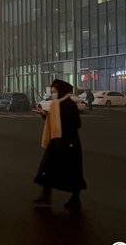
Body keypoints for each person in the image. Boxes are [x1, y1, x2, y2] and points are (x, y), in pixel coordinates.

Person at [34, 79, 87, 211]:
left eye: (54, 91)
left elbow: (77, 124)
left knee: (71, 172)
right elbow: (54, 121)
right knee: (47, 168)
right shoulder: (56, 104)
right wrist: (45, 115)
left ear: (61, 91)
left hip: (68, 144)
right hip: (56, 142)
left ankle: (74, 199)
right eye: (52, 92)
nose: (52, 94)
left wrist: (63, 125)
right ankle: (46, 196)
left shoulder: (69, 104)